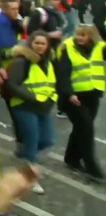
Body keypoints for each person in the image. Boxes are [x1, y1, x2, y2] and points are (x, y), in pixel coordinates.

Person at [5, 31, 56, 195]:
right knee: (32, 141)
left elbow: (50, 83)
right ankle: (30, 179)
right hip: (24, 106)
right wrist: (32, 97)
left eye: (43, 43)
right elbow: (13, 84)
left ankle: (25, 153)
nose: (40, 46)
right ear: (30, 44)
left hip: (43, 107)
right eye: (37, 43)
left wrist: (52, 98)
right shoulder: (22, 62)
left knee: (47, 139)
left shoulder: (48, 62)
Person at [56, 24, 105, 182]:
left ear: (91, 36)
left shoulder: (100, 47)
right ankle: (92, 167)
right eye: (78, 34)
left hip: (93, 95)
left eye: (83, 35)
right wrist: (69, 94)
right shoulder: (67, 49)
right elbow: (62, 75)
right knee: (87, 129)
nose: (79, 38)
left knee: (81, 127)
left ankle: (71, 158)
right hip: (73, 97)